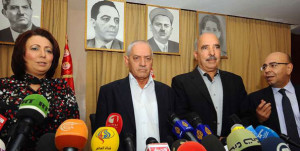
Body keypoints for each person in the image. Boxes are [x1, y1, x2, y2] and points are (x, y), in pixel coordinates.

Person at [0, 28, 79, 150]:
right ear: (21, 54)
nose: (43, 54)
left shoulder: (63, 88)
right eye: (35, 48)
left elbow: (73, 131)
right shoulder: (4, 86)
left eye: (48, 50)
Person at [95, 40, 175, 151]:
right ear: (126, 61)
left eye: (147, 58)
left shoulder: (167, 92)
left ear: (152, 61)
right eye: (136, 58)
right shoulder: (109, 93)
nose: (143, 63)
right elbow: (101, 138)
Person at [172, 33, 247, 137]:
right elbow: (182, 121)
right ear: (196, 55)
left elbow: (245, 116)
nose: (212, 53)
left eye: (216, 47)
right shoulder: (181, 82)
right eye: (205, 48)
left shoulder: (235, 81)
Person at [247, 52, 300, 150]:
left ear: (289, 68)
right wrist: (259, 119)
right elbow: (247, 131)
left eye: (273, 65)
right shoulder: (255, 99)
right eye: (264, 67)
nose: (266, 70)